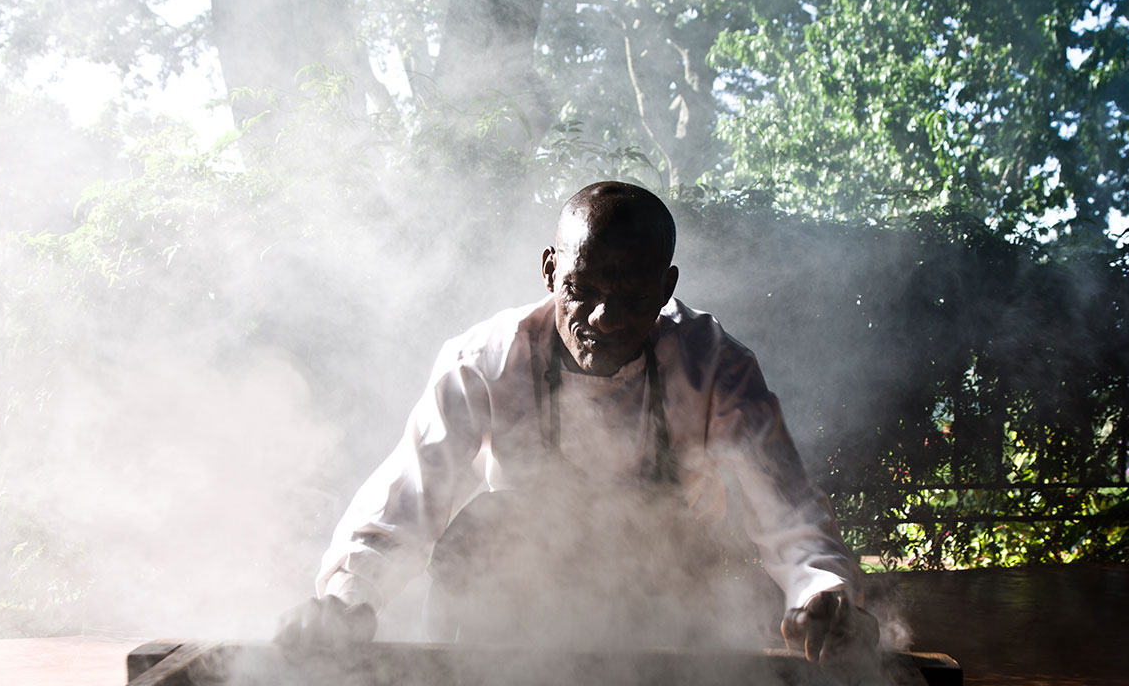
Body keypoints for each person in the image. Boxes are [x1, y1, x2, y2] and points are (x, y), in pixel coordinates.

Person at [280, 182, 874, 660]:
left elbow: (789, 511)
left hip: (667, 604)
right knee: (482, 527)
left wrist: (824, 592)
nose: (604, 318)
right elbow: (411, 493)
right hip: (512, 601)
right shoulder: (485, 360)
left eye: (632, 297)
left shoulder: (715, 365)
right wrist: (346, 600)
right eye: (581, 289)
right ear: (548, 270)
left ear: (666, 287)